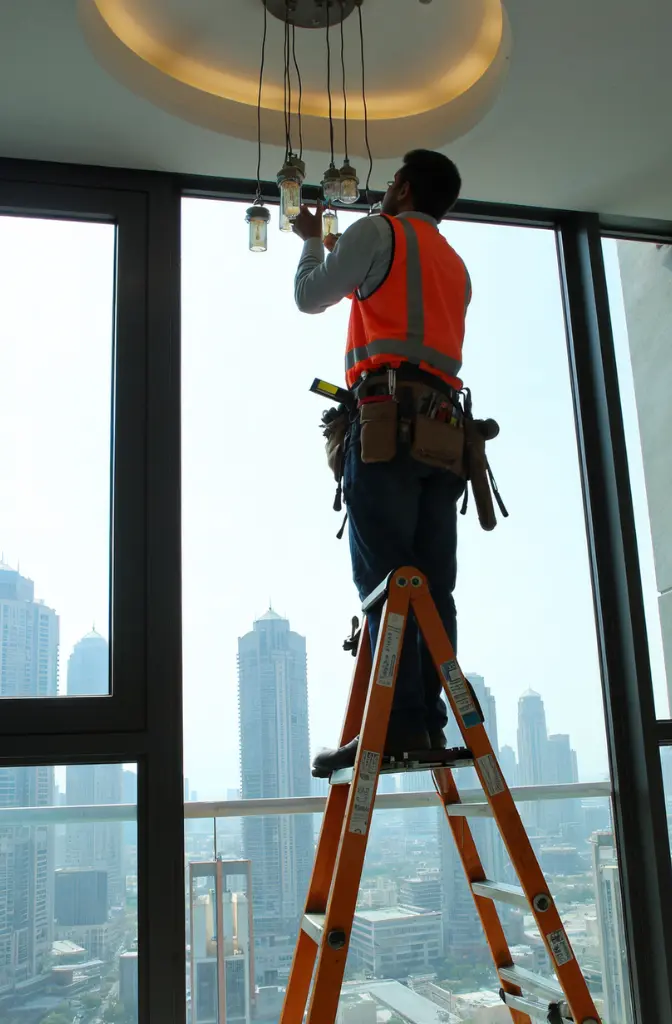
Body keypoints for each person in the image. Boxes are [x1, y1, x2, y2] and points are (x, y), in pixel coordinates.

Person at [292, 149, 471, 774]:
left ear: (401, 187)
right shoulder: (455, 263)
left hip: (385, 429)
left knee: (388, 585)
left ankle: (393, 729)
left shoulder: (378, 230)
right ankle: (426, 725)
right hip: (443, 436)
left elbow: (311, 296)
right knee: (431, 586)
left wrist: (313, 242)